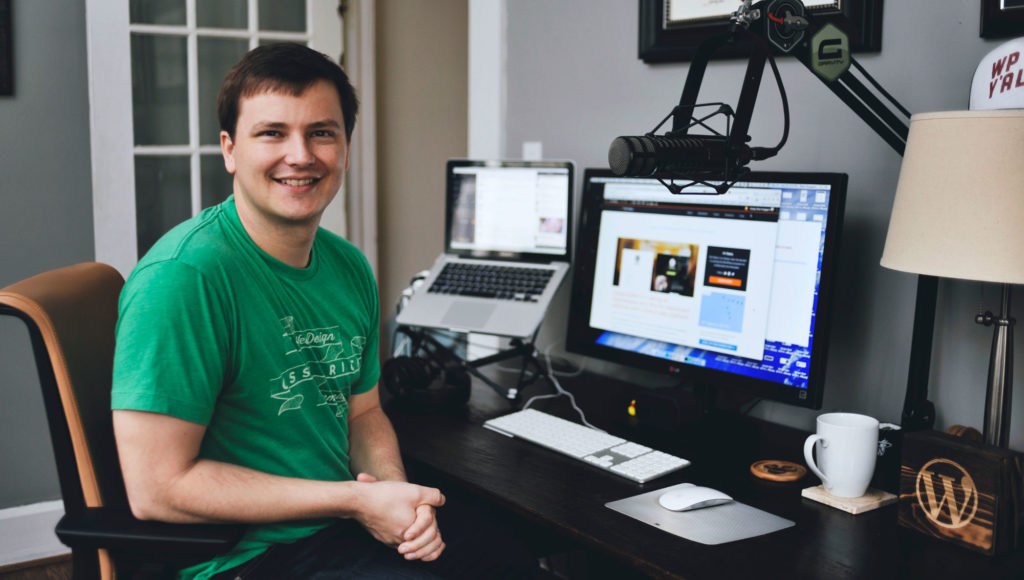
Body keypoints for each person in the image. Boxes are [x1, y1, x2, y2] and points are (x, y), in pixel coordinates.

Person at [111, 43, 540, 580]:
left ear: (345, 147)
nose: (301, 155)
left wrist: (395, 499)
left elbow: (362, 413)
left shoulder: (348, 266)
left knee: (518, 562)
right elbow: (157, 490)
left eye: (321, 132)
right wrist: (355, 502)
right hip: (243, 556)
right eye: (272, 133)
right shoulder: (183, 279)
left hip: (338, 523)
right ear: (229, 149)